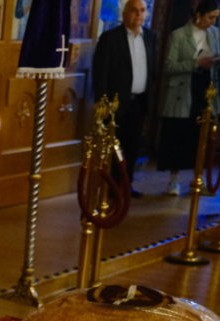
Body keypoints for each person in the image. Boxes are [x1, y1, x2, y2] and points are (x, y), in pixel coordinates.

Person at [158, 0, 220, 196]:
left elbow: (215, 60)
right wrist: (196, 63)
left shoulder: (214, 33)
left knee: (201, 136)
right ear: (199, 14)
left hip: (205, 89)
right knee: (178, 135)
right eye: (210, 17)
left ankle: (198, 177)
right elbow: (169, 66)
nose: (212, 22)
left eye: (215, 18)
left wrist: (219, 60)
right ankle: (174, 179)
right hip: (183, 89)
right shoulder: (178, 35)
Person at [92, 0, 157, 196]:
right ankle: (111, 187)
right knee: (114, 147)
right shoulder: (110, 38)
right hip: (115, 103)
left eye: (143, 11)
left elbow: (152, 69)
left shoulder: (150, 37)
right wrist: (102, 104)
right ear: (125, 13)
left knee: (133, 145)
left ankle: (127, 185)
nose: (139, 15)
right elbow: (100, 73)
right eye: (134, 11)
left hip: (139, 101)